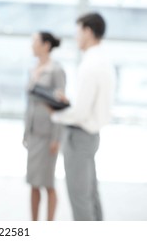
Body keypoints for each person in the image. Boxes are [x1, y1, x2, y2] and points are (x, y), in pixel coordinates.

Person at [51, 12, 116, 220]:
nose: (76, 36)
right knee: (90, 195)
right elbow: (87, 104)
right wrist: (69, 103)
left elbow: (80, 112)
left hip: (79, 137)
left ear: (88, 31)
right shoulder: (103, 60)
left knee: (80, 199)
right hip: (90, 135)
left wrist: (56, 114)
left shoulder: (90, 64)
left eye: (78, 31)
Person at [23, 31, 66, 221]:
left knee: (48, 183)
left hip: (49, 134)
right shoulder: (34, 68)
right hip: (33, 133)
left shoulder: (56, 70)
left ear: (46, 45)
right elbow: (30, 103)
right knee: (33, 182)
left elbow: (61, 106)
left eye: (35, 42)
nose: (32, 45)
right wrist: (26, 131)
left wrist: (57, 137)